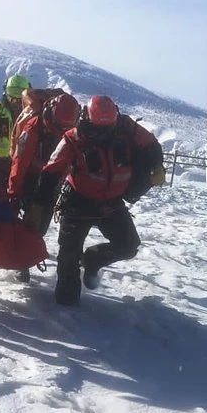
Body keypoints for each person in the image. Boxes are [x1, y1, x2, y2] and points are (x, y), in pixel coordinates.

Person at [35, 95, 164, 305]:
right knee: (69, 256)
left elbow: (151, 145)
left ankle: (93, 259)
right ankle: (65, 310)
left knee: (128, 245)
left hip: (111, 203)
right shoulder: (72, 138)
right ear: (87, 118)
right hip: (78, 202)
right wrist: (39, 205)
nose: (103, 134)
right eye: (98, 129)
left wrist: (157, 165)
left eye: (108, 129)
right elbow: (50, 172)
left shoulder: (126, 128)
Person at [7, 88, 81, 283]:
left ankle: (25, 256)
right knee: (30, 220)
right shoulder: (32, 128)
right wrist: (13, 192)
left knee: (42, 224)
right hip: (30, 176)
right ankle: (22, 262)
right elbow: (19, 162)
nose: (60, 133)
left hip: (53, 179)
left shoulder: (71, 130)